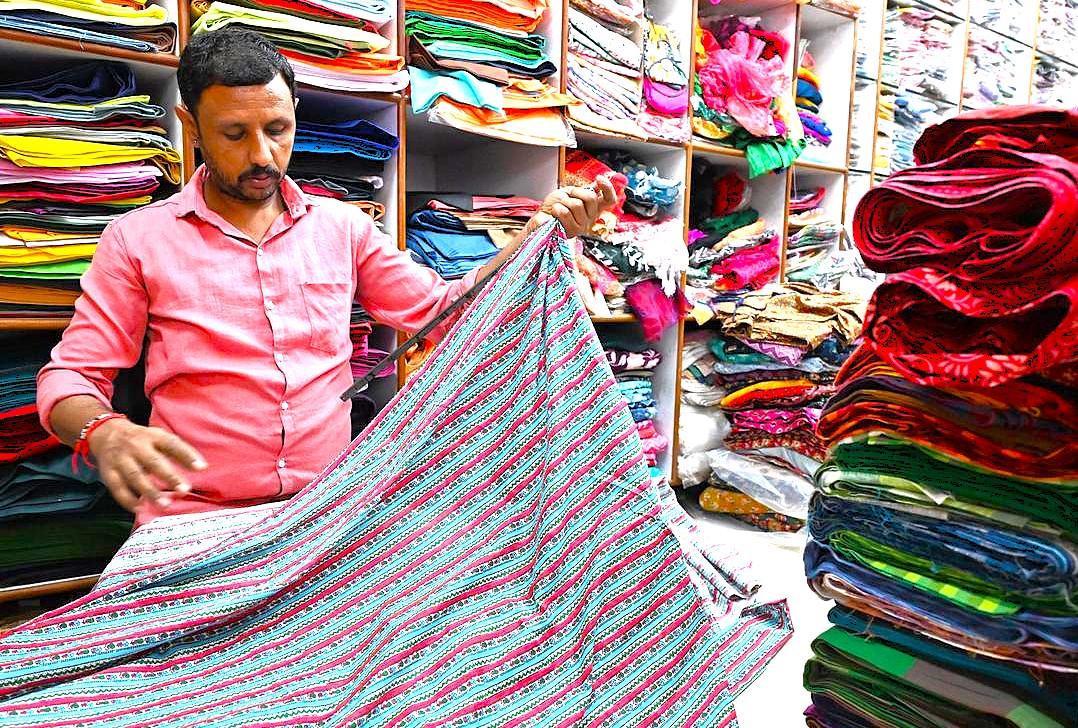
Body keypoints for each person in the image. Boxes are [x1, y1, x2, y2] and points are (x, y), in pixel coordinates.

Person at [37, 28, 617, 528]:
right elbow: (70, 375)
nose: (263, 154)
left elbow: (445, 314)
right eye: (235, 134)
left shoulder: (344, 228)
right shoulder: (137, 240)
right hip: (194, 519)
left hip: (325, 521)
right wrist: (104, 432)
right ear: (192, 126)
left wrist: (536, 236)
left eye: (278, 128)